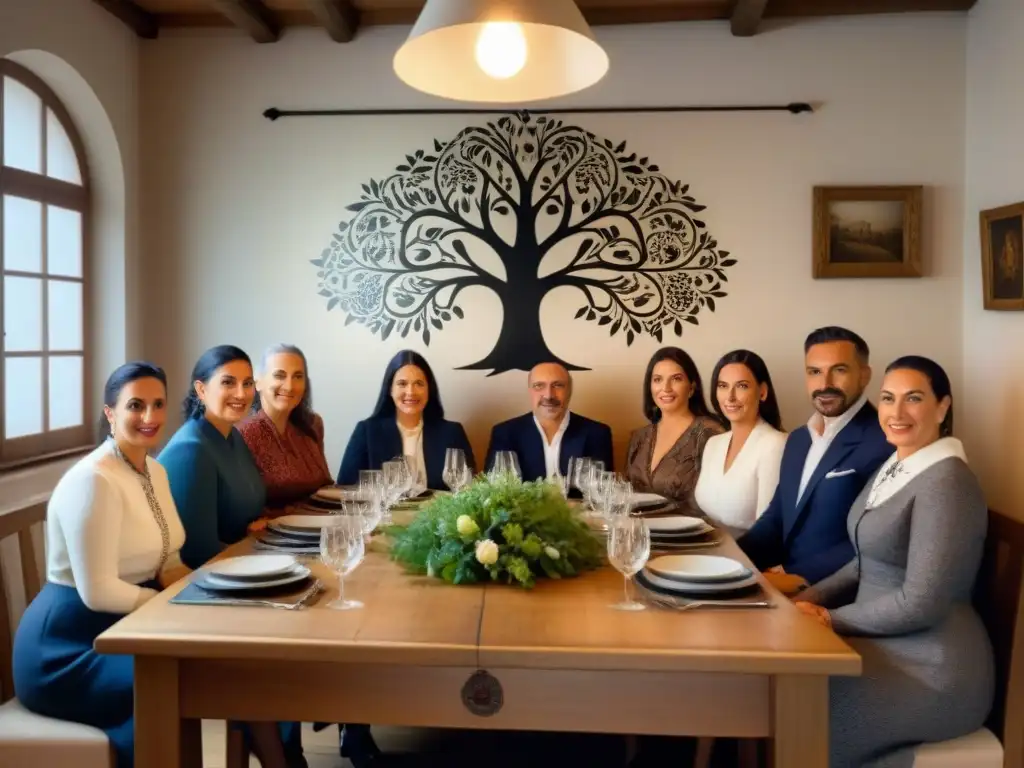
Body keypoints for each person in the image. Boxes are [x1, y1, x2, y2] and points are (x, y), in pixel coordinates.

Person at [794, 356, 995, 768]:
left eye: (914, 398)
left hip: (932, 670)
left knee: (809, 713)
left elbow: (921, 601)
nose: (896, 412)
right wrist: (803, 601)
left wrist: (830, 619)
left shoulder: (947, 482)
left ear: (943, 407)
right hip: (880, 646)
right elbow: (863, 562)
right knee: (790, 691)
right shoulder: (896, 464)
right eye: (888, 399)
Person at [12, 362, 186, 768]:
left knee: (203, 668)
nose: (150, 417)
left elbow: (168, 557)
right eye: (135, 405)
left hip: (127, 626)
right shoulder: (94, 479)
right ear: (110, 412)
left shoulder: (155, 470)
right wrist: (168, 606)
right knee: (165, 683)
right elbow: (99, 591)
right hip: (67, 646)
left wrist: (205, 597)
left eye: (158, 404)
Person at [157, 345, 292, 766]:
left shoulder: (231, 437)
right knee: (269, 652)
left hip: (233, 574)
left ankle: (279, 750)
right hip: (191, 594)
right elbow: (196, 552)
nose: (241, 393)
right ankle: (278, 757)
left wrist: (255, 529)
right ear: (200, 388)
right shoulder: (192, 448)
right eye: (228, 382)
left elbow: (245, 512)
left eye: (248, 383)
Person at [738, 327, 891, 592]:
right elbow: (777, 518)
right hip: (781, 587)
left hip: (838, 595)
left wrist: (795, 577)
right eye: (815, 372)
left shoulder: (885, 442)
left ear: (865, 375)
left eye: (839, 370)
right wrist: (730, 559)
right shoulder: (798, 439)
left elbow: (877, 541)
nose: (825, 383)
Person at [338, 349, 475, 491]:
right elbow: (345, 488)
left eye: (419, 384)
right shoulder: (367, 432)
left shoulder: (452, 433)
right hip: (385, 513)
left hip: (437, 513)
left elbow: (470, 490)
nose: (410, 392)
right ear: (390, 389)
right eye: (402, 384)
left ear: (429, 389)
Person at [695, 350, 787, 533]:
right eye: (722, 386)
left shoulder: (775, 444)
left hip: (747, 558)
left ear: (762, 392)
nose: (730, 397)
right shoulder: (713, 443)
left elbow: (767, 531)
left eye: (742, 386)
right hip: (707, 550)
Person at [239, 343, 333, 514]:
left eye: (298, 376)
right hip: (269, 534)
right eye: (279, 375)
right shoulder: (242, 433)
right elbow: (241, 505)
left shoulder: (313, 424)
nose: (289, 386)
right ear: (258, 382)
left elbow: (325, 487)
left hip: (319, 527)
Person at [625, 347, 725, 505]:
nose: (666, 388)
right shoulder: (639, 437)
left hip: (699, 528)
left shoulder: (711, 434)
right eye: (658, 379)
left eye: (676, 379)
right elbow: (626, 494)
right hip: (639, 528)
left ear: (691, 388)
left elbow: (721, 499)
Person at [485, 361, 614, 480]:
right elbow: (495, 491)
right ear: (529, 391)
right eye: (539, 386)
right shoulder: (505, 433)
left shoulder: (597, 433)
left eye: (557, 385)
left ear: (569, 391)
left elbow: (601, 491)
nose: (549, 395)